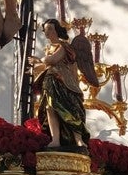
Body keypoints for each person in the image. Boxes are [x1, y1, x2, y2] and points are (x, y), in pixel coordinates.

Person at [29, 18, 92, 150]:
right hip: (50, 82)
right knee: (50, 108)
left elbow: (51, 60)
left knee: (70, 109)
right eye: (45, 29)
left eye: (50, 29)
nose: (47, 32)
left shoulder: (64, 46)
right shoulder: (49, 48)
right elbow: (45, 66)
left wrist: (39, 60)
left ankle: (78, 139)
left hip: (65, 83)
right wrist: (34, 68)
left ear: (57, 30)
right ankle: (55, 139)